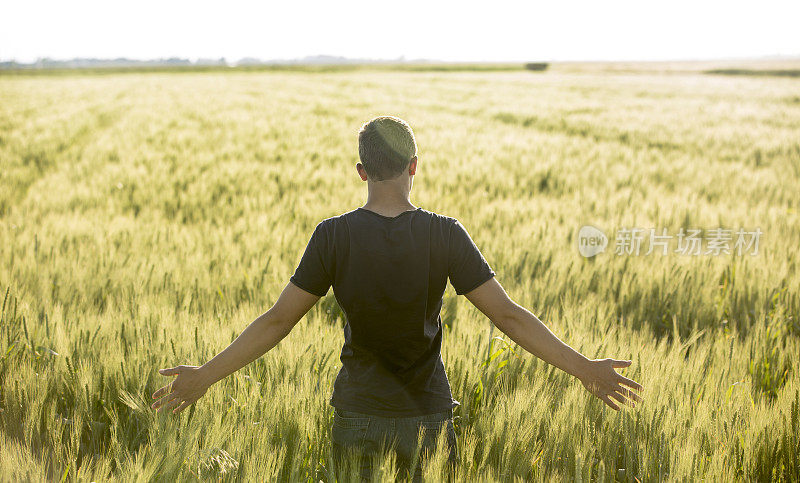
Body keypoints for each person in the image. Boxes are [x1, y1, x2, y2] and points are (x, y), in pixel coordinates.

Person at [151, 116, 642, 481]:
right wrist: (585, 368)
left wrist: (205, 375)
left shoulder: (333, 237)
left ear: (362, 171)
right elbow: (510, 317)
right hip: (427, 416)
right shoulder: (445, 235)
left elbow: (278, 320)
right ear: (413, 166)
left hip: (357, 415)